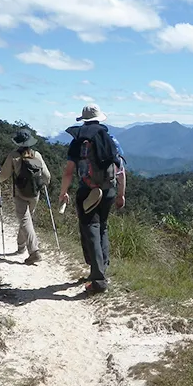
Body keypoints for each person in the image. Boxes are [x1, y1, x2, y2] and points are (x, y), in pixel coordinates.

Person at [58, 104, 126, 294]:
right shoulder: (111, 139)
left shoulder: (79, 141)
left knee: (91, 230)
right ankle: (101, 268)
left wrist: (64, 192)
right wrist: (121, 194)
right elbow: (121, 171)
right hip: (108, 190)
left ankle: (98, 280)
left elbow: (69, 171)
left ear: (83, 119)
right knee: (102, 226)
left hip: (87, 191)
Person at [0, 128, 52, 264]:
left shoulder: (14, 156)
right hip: (34, 194)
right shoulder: (36, 155)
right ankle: (21, 246)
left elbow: (3, 176)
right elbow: (47, 176)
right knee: (26, 220)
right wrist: (42, 185)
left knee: (25, 220)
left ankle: (34, 251)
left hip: (20, 193)